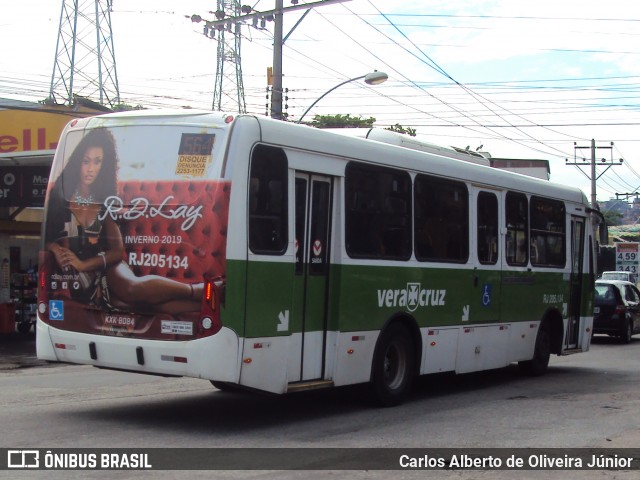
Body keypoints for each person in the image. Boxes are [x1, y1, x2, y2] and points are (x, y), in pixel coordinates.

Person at [44, 128, 203, 315]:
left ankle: (198, 291)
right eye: (86, 161)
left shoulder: (104, 198)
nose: (90, 169)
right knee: (142, 304)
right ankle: (209, 303)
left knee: (132, 289)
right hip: (82, 278)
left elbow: (117, 251)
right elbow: (47, 236)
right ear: (77, 161)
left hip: (107, 266)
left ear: (104, 164)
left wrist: (83, 264)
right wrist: (55, 249)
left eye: (98, 162)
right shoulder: (60, 197)